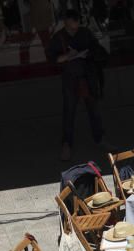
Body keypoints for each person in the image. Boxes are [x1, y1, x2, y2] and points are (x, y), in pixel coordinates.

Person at [46, 10, 106, 161]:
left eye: (77, 25)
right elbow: (52, 58)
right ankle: (67, 145)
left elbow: (96, 48)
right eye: (72, 26)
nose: (75, 28)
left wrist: (87, 53)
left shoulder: (84, 32)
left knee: (94, 110)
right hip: (70, 79)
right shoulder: (58, 37)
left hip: (87, 76)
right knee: (69, 113)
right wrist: (66, 56)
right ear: (65, 23)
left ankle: (100, 139)